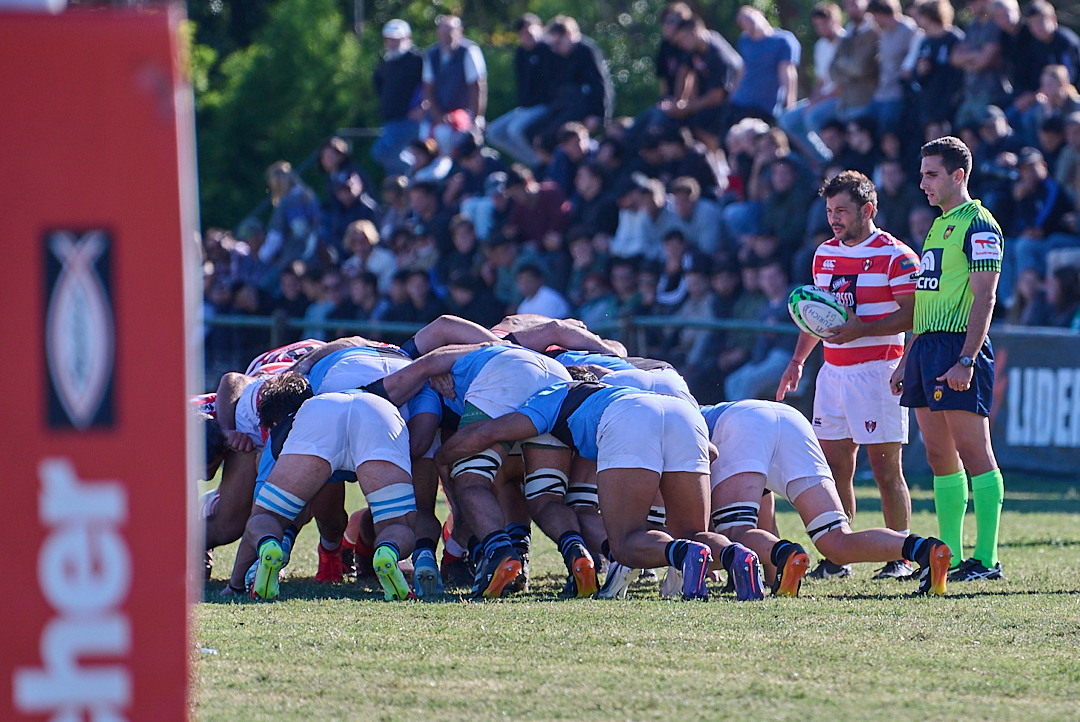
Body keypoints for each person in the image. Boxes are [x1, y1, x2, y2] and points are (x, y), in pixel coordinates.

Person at [434, 377, 768, 601]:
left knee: (624, 543)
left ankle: (683, 554)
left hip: (630, 418)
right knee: (695, 531)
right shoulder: (609, 388)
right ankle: (738, 555)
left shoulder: (554, 393)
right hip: (686, 417)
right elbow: (711, 453)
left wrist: (444, 456)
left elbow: (490, 433)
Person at [776, 170, 920, 580]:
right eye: (829, 211)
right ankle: (841, 554)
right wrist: (798, 361)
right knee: (835, 465)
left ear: (867, 210)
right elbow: (816, 314)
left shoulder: (897, 255)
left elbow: (913, 315)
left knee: (886, 468)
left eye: (842, 211)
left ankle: (902, 555)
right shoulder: (824, 254)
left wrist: (864, 331)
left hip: (878, 373)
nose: (834, 219)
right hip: (833, 374)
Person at [897, 135, 1006, 581]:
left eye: (931, 174)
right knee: (939, 455)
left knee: (974, 450)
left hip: (959, 345)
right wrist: (908, 357)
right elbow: (928, 295)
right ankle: (952, 558)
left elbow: (986, 297)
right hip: (927, 347)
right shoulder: (938, 223)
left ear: (958, 175)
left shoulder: (979, 223)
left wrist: (966, 359)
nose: (922, 182)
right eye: (922, 173)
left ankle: (986, 560)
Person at [705, 399, 952, 596]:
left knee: (734, 536)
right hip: (790, 420)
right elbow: (765, 515)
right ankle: (922, 549)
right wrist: (771, 577)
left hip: (742, 425)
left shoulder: (676, 420)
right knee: (836, 541)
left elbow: (690, 516)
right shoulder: (686, 408)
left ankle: (786, 553)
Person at [230, 376, 417, 601]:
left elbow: (260, 510)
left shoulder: (289, 423)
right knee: (398, 525)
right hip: (379, 411)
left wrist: (235, 584)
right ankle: (388, 550)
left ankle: (268, 545)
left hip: (319, 414)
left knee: (266, 516)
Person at [485, 14, 555, 166]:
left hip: (545, 105)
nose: (526, 36)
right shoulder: (521, 54)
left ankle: (540, 165)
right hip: (526, 107)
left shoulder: (548, 50)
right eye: (522, 33)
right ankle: (532, 161)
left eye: (529, 31)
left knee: (515, 130)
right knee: (492, 132)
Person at [422, 15, 487, 153]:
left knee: (447, 136)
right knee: (424, 139)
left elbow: (477, 86)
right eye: (443, 32)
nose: (447, 36)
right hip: (440, 115)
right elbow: (428, 90)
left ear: (459, 31)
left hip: (464, 113)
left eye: (450, 32)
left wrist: (476, 118)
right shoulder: (431, 54)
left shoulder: (469, 51)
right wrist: (438, 116)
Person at [371, 20, 424, 176]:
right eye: (388, 39)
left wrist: (423, 106)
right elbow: (378, 87)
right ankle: (403, 192)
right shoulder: (387, 62)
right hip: (389, 121)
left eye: (396, 39)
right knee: (392, 171)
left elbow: (430, 85)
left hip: (408, 121)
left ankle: (417, 168)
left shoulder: (417, 60)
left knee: (380, 152)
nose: (392, 43)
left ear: (407, 38)